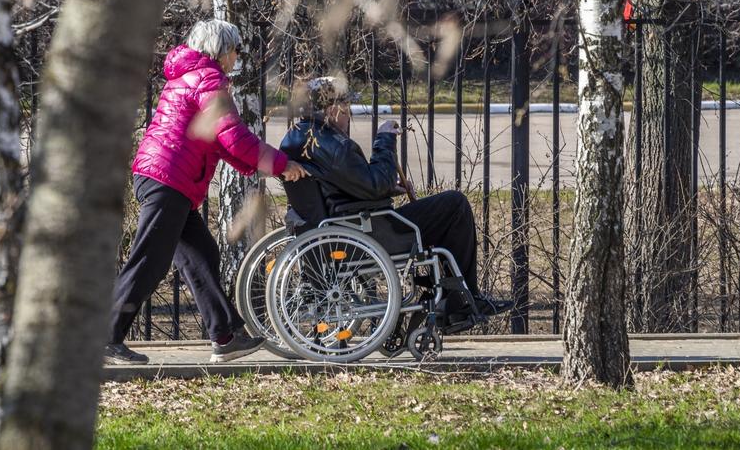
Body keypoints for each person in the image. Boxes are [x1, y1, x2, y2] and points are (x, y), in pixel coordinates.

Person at [106, 20, 308, 365]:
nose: (237, 57)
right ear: (221, 50)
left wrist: (265, 166)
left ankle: (226, 335)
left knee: (201, 256)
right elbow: (234, 137)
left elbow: (220, 142)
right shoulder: (208, 80)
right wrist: (280, 163)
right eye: (236, 49)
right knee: (149, 260)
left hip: (170, 181)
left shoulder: (191, 77)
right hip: (168, 180)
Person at [279, 76, 511, 330]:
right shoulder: (333, 144)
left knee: (443, 212)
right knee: (455, 206)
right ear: (333, 110)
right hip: (368, 232)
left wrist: (389, 187)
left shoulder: (298, 138)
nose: (349, 116)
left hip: (341, 229)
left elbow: (344, 186)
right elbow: (374, 184)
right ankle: (459, 303)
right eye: (347, 108)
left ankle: (454, 301)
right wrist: (385, 140)